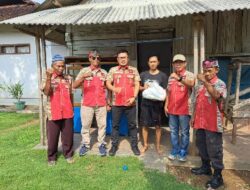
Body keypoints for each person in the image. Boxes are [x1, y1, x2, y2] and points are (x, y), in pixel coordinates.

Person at [191, 59, 227, 189]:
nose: (206, 73)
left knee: (215, 150)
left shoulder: (220, 84)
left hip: (213, 123)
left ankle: (218, 176)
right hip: (200, 122)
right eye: (205, 71)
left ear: (216, 70)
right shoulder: (200, 85)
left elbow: (217, 96)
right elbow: (196, 102)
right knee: (202, 146)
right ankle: (206, 168)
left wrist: (205, 82)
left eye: (209, 71)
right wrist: (193, 117)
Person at [73, 50, 111, 157]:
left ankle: (101, 144)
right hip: (87, 103)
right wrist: (83, 77)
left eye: (98, 58)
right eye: (93, 58)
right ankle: (85, 144)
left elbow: (108, 89)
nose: (96, 60)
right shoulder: (83, 71)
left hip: (101, 103)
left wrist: (108, 103)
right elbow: (74, 85)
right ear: (89, 58)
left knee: (102, 125)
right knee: (85, 125)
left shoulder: (104, 72)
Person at [106, 49, 141, 156]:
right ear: (117, 59)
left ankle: (134, 146)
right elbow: (107, 83)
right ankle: (114, 146)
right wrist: (114, 89)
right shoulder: (113, 70)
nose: (123, 59)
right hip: (116, 103)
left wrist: (134, 97)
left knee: (132, 125)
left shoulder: (133, 70)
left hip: (131, 103)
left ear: (128, 58)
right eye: (120, 58)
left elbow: (137, 84)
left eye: (124, 57)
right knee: (115, 125)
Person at [41, 54, 74, 166]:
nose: (60, 68)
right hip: (53, 112)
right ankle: (51, 158)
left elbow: (71, 95)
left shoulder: (68, 78)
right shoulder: (46, 78)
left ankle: (68, 154)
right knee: (52, 137)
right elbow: (46, 92)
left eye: (62, 66)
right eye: (58, 66)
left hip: (67, 112)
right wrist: (49, 78)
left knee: (68, 136)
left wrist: (72, 108)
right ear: (52, 66)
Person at [164, 54, 195, 162]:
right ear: (173, 64)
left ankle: (183, 151)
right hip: (172, 109)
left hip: (184, 109)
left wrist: (179, 78)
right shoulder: (171, 76)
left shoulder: (189, 75)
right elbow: (168, 91)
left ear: (185, 63)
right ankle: (175, 150)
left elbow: (191, 84)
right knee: (173, 131)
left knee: (184, 132)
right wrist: (165, 105)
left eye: (180, 62)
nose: (178, 64)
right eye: (176, 63)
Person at [139, 55, 168, 155]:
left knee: (158, 126)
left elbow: (166, 91)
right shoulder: (143, 75)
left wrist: (165, 105)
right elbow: (137, 87)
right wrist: (143, 87)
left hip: (157, 105)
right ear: (148, 63)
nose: (153, 63)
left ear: (158, 62)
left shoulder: (163, 76)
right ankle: (145, 145)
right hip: (145, 104)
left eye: (154, 61)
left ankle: (158, 146)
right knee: (145, 125)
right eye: (151, 62)